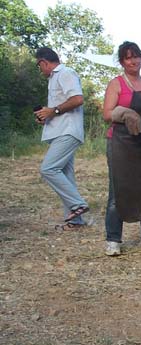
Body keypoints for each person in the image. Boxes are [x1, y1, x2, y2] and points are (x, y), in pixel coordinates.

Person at [102, 41, 141, 256]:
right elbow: (107, 114)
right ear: (122, 61)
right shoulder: (117, 84)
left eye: (136, 56)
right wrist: (124, 113)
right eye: (128, 58)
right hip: (121, 143)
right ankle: (113, 239)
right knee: (118, 190)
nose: (133, 61)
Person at [34, 47, 89, 231]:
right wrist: (47, 115)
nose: (40, 70)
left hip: (68, 131)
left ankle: (78, 204)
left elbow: (78, 99)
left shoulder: (65, 73)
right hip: (60, 131)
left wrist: (54, 110)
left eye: (39, 66)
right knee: (66, 175)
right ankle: (75, 221)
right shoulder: (54, 79)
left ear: (43, 62)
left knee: (48, 169)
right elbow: (60, 106)